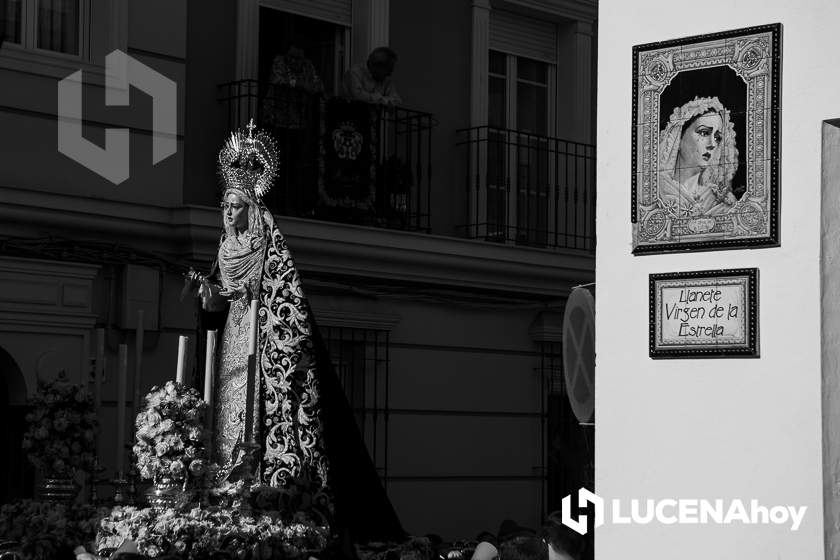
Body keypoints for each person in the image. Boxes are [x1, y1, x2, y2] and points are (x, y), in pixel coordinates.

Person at [185, 119, 404, 542]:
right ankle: (225, 485)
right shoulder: (223, 247)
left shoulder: (268, 243)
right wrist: (209, 299)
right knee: (226, 413)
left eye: (235, 204)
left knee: (257, 414)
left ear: (252, 204)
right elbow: (218, 302)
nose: (228, 212)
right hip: (232, 337)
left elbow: (287, 298)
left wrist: (266, 325)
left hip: (262, 339)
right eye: (225, 204)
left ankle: (259, 485)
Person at [657, 96, 739, 218]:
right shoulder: (657, 190)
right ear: (678, 138)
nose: (712, 144)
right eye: (704, 133)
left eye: (717, 138)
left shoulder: (721, 201)